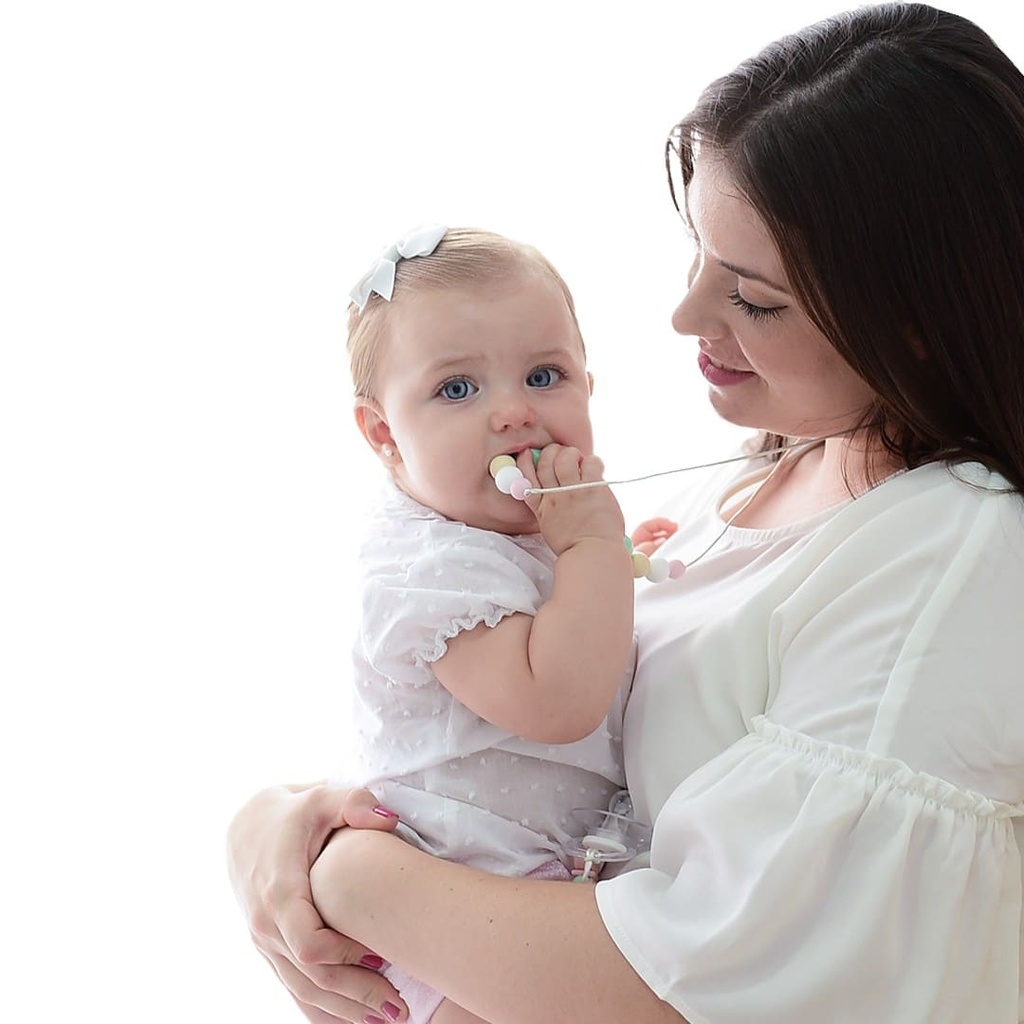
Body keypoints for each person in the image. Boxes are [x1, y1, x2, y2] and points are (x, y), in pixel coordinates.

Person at [226, 4, 1024, 1022]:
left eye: (754, 296)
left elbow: (683, 985)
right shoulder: (725, 490)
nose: (684, 317)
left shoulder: (951, 545)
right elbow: (494, 753)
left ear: (913, 320)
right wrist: (271, 823)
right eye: (696, 253)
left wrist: (340, 876)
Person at [294, 224, 662, 1024]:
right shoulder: (426, 568)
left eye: (543, 374)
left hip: (538, 897)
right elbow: (556, 700)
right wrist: (597, 550)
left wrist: (624, 562)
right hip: (455, 904)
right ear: (385, 435)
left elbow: (584, 624)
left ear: (589, 389)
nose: (514, 413)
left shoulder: (521, 539)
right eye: (457, 389)